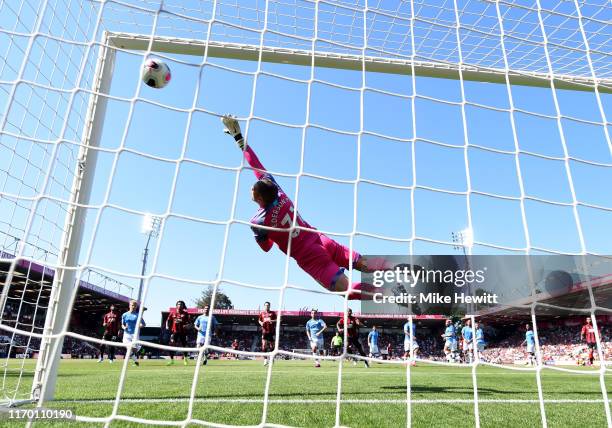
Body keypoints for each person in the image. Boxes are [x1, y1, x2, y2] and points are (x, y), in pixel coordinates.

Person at [221, 115, 394, 300]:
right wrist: (239, 138)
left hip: (309, 256)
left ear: (260, 198)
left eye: (253, 189)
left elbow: (266, 248)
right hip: (320, 239)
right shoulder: (278, 192)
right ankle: (402, 270)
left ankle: (391, 295)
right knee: (362, 262)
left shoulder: (258, 221)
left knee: (346, 290)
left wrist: (267, 233)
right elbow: (256, 165)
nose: (251, 187)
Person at [121, 300, 146, 366]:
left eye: (135, 305)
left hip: (135, 334)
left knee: (133, 350)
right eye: (132, 305)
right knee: (129, 348)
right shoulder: (124, 315)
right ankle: (136, 361)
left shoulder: (138, 315)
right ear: (129, 306)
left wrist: (138, 326)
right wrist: (124, 327)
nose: (133, 306)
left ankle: (139, 350)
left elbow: (143, 324)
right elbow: (122, 324)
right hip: (126, 334)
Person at [166, 300, 190, 366]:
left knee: (184, 346)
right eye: (178, 304)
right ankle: (171, 360)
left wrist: (186, 325)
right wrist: (168, 327)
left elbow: (189, 323)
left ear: (183, 306)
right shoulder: (172, 313)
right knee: (171, 345)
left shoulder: (185, 314)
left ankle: (185, 359)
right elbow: (168, 321)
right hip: (174, 332)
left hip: (183, 332)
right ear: (176, 305)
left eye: (181, 304)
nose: (179, 305)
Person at [259, 301, 277, 366]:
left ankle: (271, 359)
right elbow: (259, 320)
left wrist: (272, 321)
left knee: (272, 346)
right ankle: (265, 360)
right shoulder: (262, 313)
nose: (267, 306)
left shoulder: (273, 313)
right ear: (264, 306)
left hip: (272, 332)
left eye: (268, 305)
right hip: (264, 331)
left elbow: (278, 320)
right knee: (264, 345)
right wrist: (260, 323)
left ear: (269, 306)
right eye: (265, 305)